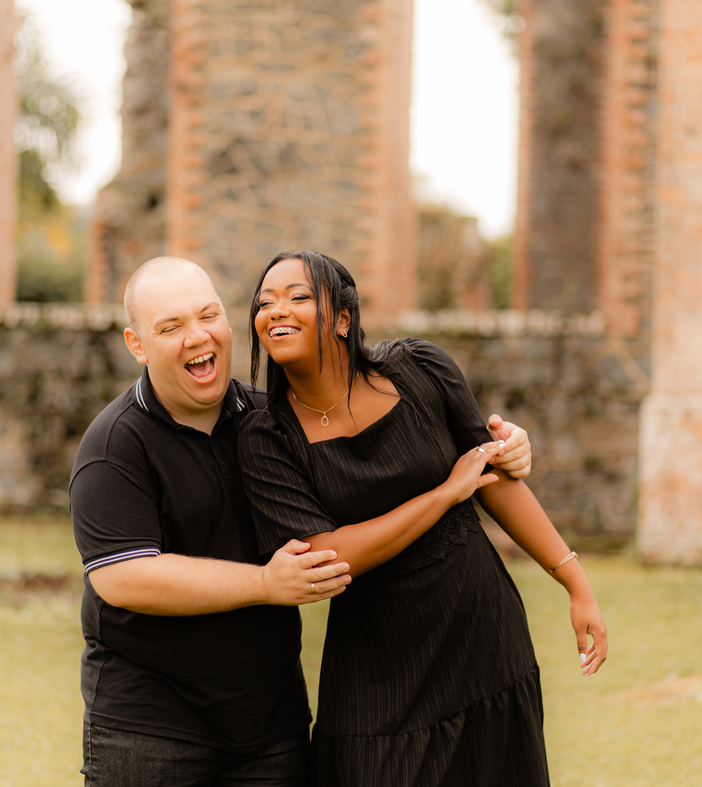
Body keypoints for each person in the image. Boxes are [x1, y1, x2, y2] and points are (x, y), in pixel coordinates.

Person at [68, 256, 535, 786]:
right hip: (151, 730)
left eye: (209, 315)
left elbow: (381, 472)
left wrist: (500, 447)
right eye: (171, 327)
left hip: (271, 729)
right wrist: (266, 582)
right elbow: (123, 577)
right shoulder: (114, 446)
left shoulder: (273, 425)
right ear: (137, 344)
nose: (197, 337)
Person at [238, 251, 609, 787]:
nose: (276, 311)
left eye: (298, 296)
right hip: (377, 673)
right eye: (264, 302)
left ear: (342, 318)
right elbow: (327, 555)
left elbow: (494, 477)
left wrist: (575, 582)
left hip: (483, 641)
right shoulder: (266, 438)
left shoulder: (418, 369)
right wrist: (443, 496)